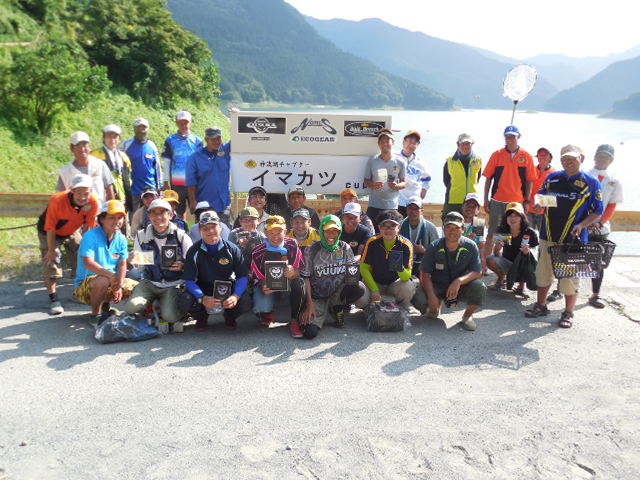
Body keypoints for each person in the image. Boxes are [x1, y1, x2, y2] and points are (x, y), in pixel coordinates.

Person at [524, 145, 603, 328]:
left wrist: (582, 225)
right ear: (560, 161)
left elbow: (598, 211)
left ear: (581, 159)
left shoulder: (591, 182)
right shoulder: (553, 178)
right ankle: (541, 305)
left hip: (573, 239)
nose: (568, 162)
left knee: (569, 278)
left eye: (572, 159)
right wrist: (537, 204)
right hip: (548, 234)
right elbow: (541, 196)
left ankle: (568, 312)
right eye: (565, 159)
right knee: (543, 273)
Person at [37, 174, 100, 315]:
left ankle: (79, 291)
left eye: (86, 193)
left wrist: (87, 247)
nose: (83, 197)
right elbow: (50, 228)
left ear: (91, 191)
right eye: (79, 193)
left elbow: (87, 227)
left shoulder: (93, 202)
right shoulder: (57, 200)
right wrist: (52, 250)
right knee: (51, 260)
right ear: (72, 190)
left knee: (84, 255)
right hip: (48, 231)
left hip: (71, 230)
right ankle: (53, 299)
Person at [124, 199, 193, 327]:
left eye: (162, 213)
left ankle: (169, 308)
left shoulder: (181, 236)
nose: (158, 217)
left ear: (170, 215)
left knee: (170, 316)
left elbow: (193, 262)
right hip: (150, 282)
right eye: (154, 213)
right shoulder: (141, 235)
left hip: (172, 284)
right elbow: (140, 267)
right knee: (131, 308)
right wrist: (133, 260)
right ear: (149, 216)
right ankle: (155, 305)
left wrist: (183, 265)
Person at [299, 215, 369, 338]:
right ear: (322, 231)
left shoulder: (344, 247)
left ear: (339, 232)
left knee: (359, 287)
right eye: (328, 231)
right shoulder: (312, 250)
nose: (331, 234)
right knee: (310, 333)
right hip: (317, 297)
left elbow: (351, 273)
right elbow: (306, 278)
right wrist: (309, 305)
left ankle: (337, 307)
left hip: (337, 292)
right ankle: (324, 311)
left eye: (335, 231)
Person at [182, 211, 252, 331]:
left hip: (226, 289)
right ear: (200, 230)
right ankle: (201, 317)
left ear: (220, 227)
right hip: (203, 289)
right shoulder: (193, 251)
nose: (210, 231)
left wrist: (235, 296)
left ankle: (230, 315)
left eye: (213, 227)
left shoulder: (232, 249)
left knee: (245, 300)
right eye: (205, 228)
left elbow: (242, 276)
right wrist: (202, 297)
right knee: (185, 300)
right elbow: (189, 280)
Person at [73, 200, 137, 327]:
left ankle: (127, 314)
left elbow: (122, 264)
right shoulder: (90, 236)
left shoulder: (121, 238)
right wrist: (112, 276)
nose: (117, 221)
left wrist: (119, 283)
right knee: (103, 280)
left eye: (120, 218)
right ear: (101, 219)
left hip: (111, 281)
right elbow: (88, 263)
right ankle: (95, 316)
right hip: (85, 285)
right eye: (111, 217)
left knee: (140, 287)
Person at [420, 211, 486, 331]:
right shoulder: (434, 246)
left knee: (479, 287)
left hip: (460, 288)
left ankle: (468, 316)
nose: (452, 231)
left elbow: (477, 271)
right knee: (419, 298)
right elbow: (425, 274)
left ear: (463, 229)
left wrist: (459, 281)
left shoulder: (471, 246)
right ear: (443, 229)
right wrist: (431, 296)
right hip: (438, 285)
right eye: (448, 227)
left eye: (456, 227)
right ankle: (436, 306)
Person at [482, 125, 536, 261]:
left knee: (513, 232)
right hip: (497, 200)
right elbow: (488, 178)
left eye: (512, 136)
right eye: (507, 136)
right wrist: (486, 199)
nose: (510, 139)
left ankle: (510, 261)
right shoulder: (497, 154)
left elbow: (530, 180)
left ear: (519, 137)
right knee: (493, 232)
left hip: (516, 202)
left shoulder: (527, 156)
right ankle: (485, 263)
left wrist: (527, 201)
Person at [250, 215, 306, 338]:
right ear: (265, 232)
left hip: (288, 286)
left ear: (285, 232)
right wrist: (263, 285)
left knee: (300, 283)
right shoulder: (257, 251)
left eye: (279, 232)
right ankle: (267, 313)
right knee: (262, 306)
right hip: (269, 289)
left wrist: (293, 272)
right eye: (271, 232)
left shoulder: (292, 244)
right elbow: (257, 277)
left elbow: (299, 270)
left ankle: (294, 320)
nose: (275, 236)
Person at [586, 144, 623, 309]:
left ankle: (595, 294)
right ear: (594, 156)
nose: (603, 159)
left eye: (607, 157)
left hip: (601, 228)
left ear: (612, 160)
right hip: (581, 225)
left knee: (598, 261)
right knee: (570, 258)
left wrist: (600, 222)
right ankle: (562, 290)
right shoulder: (584, 175)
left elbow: (612, 205)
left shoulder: (614, 180)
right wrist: (585, 222)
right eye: (600, 155)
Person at [360, 209, 415, 311]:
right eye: (385, 226)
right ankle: (370, 309)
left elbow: (407, 276)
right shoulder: (372, 242)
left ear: (398, 227)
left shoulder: (406, 245)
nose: (388, 229)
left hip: (394, 284)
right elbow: (363, 268)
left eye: (392, 226)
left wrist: (398, 266)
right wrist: (375, 290)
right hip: (375, 282)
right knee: (360, 293)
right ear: (379, 228)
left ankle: (401, 310)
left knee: (408, 286)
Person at [486, 202, 539, 296]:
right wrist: (497, 249)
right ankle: (501, 279)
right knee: (490, 259)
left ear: (522, 217)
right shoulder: (501, 230)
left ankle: (522, 286)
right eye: (510, 215)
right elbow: (496, 254)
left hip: (524, 265)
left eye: (516, 215)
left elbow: (535, 257)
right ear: (506, 218)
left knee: (526, 257)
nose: (513, 218)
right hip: (508, 263)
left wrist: (528, 252)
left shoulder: (530, 232)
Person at [186, 126, 232, 225]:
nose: (216, 141)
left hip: (224, 203)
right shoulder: (195, 158)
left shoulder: (226, 150)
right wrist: (192, 201)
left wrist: (236, 116)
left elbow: (239, 138)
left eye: (218, 138)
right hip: (204, 204)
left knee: (224, 234)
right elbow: (191, 182)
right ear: (206, 139)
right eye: (213, 139)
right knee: (204, 234)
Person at [162, 110, 203, 216]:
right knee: (179, 211)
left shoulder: (197, 141)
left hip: (194, 183)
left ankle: (197, 232)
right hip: (177, 183)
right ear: (177, 123)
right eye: (181, 122)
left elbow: (202, 162)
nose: (184, 125)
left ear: (190, 123)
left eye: (186, 122)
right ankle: (182, 230)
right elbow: (167, 162)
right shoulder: (170, 140)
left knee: (197, 210)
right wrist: (166, 181)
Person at [57, 131, 115, 204]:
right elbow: (61, 196)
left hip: (99, 211)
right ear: (71, 149)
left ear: (89, 147)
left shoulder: (100, 165)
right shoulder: (65, 172)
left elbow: (110, 191)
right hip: (75, 213)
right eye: (78, 145)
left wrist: (110, 212)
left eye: (85, 145)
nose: (82, 149)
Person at [363, 128, 406, 225]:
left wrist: (396, 186)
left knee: (391, 235)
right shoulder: (372, 160)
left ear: (393, 142)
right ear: (379, 144)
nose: (385, 144)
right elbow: (366, 180)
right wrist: (373, 185)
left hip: (392, 206)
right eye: (382, 142)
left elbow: (404, 182)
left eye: (387, 141)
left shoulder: (400, 162)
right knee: (372, 236)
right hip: (374, 205)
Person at [122, 117, 162, 212]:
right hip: (134, 190)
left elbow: (158, 167)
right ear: (134, 129)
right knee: (134, 218)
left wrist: (159, 186)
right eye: (139, 128)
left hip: (150, 190)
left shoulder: (152, 146)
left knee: (152, 215)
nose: (142, 130)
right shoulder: (126, 145)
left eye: (144, 128)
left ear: (148, 129)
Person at [91, 124, 133, 214]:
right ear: (104, 138)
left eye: (115, 137)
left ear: (119, 139)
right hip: (103, 199)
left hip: (122, 200)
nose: (112, 140)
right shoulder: (95, 155)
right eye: (109, 136)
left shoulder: (123, 156)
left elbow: (128, 178)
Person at [442, 133, 483, 219]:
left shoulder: (478, 160)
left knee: (472, 229)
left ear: (472, 144)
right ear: (458, 145)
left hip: (472, 202)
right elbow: (446, 181)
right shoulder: (450, 161)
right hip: (454, 202)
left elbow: (477, 178)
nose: (465, 146)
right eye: (463, 144)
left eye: (468, 144)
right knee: (450, 228)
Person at [399, 197, 439, 277]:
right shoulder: (399, 226)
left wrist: (424, 251)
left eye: (416, 209)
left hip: (424, 265)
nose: (413, 211)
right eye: (410, 208)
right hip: (403, 264)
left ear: (421, 211)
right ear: (406, 210)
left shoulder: (430, 227)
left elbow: (438, 251)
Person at [398, 130, 430, 217]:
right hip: (397, 203)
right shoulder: (395, 158)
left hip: (414, 205)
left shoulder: (421, 163)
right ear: (404, 142)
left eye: (414, 143)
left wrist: (421, 196)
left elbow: (426, 181)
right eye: (409, 141)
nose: (411, 145)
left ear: (418, 145)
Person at [527, 147, 555, 231]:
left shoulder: (554, 173)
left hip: (545, 212)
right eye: (540, 155)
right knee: (527, 236)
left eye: (544, 155)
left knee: (544, 237)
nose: (542, 157)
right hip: (528, 210)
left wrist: (541, 206)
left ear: (550, 158)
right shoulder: (531, 170)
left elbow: (554, 194)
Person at [460, 193, 487, 274]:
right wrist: (464, 240)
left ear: (478, 210)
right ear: (462, 206)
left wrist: (483, 262)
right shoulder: (455, 220)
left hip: (471, 257)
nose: (470, 208)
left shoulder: (478, 223)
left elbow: (481, 246)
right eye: (468, 205)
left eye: (474, 206)